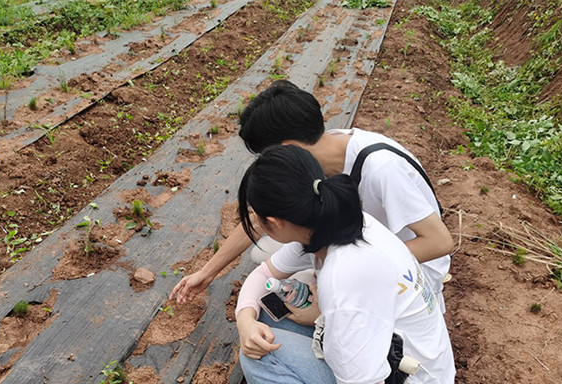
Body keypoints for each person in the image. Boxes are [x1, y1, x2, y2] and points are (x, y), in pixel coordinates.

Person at [234, 144, 455, 384]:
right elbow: (263, 275)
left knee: (262, 356)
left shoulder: (345, 276)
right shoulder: (338, 222)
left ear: (273, 223)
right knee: (268, 314)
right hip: (419, 372)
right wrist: (244, 319)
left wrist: (327, 333)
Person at [171, 80, 453, 312]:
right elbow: (260, 220)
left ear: (289, 146)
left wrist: (345, 268)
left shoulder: (382, 169)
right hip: (354, 238)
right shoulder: (323, 148)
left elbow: (439, 242)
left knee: (301, 304)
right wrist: (207, 273)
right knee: (265, 256)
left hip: (410, 272)